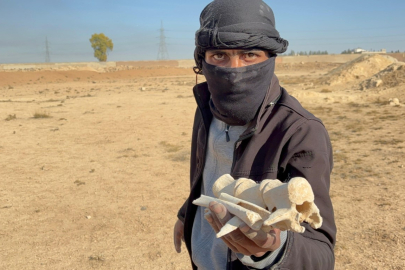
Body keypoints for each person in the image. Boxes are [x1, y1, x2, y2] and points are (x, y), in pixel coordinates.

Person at [173, 0, 336, 269]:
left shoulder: (300, 131)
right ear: (201, 62)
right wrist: (186, 216)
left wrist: (272, 250)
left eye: (249, 55)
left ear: (271, 58)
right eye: (218, 56)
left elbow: (320, 251)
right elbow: (207, 174)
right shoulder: (206, 111)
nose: (234, 70)